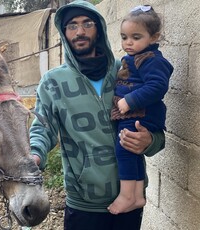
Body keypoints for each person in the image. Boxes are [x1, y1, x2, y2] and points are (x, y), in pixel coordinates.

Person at [29, 1, 166, 229]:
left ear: (99, 28)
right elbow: (43, 128)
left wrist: (150, 141)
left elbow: (155, 127)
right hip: (84, 203)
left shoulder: (126, 70)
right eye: (72, 25)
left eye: (87, 24)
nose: (80, 31)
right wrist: (35, 155)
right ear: (64, 33)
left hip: (131, 198)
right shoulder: (53, 82)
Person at [107, 5, 173, 215]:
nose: (128, 42)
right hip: (136, 113)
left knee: (123, 149)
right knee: (131, 153)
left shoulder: (150, 59)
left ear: (154, 37)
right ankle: (135, 196)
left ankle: (127, 195)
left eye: (136, 37)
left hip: (140, 114)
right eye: (124, 37)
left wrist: (130, 101)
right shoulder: (137, 57)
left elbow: (158, 86)